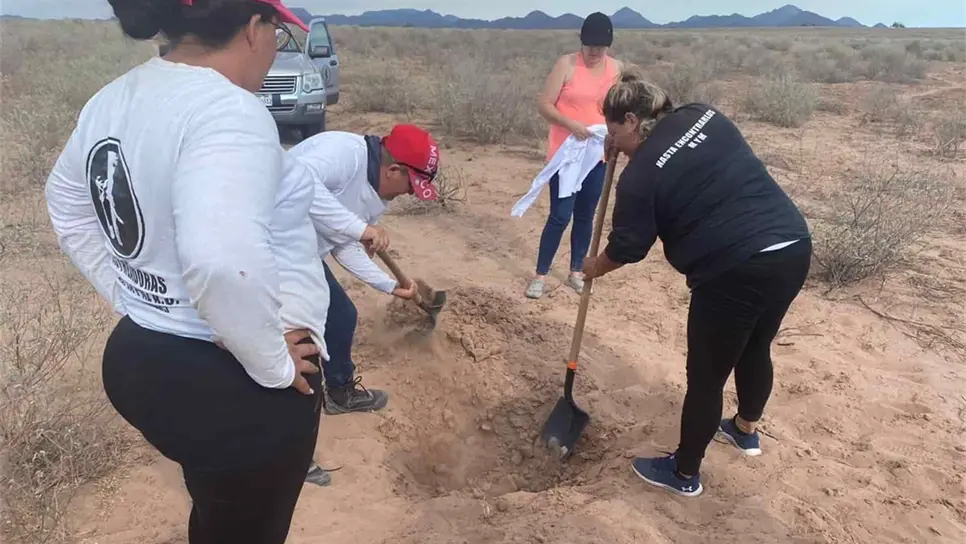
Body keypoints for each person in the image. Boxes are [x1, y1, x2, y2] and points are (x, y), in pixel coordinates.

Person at [44, 0, 382, 541]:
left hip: (140, 358)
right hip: (232, 386)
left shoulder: (117, 96)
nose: (276, 49)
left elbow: (66, 207)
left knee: (219, 515)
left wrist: (137, 303)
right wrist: (271, 363)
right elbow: (220, 263)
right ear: (253, 29)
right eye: (277, 32)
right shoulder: (229, 111)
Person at [582, 68, 811, 497]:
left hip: (734, 269)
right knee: (756, 344)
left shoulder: (639, 178)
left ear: (631, 120)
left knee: (705, 377)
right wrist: (631, 154)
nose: (611, 140)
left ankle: (684, 474)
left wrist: (595, 267)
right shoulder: (702, 114)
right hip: (792, 244)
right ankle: (745, 430)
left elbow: (629, 246)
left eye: (613, 130)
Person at [287, 124, 441, 483]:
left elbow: (343, 243)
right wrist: (359, 229)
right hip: (265, 250)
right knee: (299, 350)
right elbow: (298, 182)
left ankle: (340, 392)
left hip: (303, 254)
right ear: (393, 170)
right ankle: (292, 456)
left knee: (341, 316)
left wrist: (389, 285)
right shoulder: (343, 155)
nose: (405, 195)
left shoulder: (373, 193)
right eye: (409, 186)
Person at [525, 11, 622, 299]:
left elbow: (616, 109)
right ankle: (540, 275)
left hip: (596, 155)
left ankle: (576, 271)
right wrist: (570, 125)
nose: (595, 52)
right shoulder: (566, 64)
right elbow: (544, 104)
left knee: (586, 215)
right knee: (560, 215)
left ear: (608, 46)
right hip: (565, 153)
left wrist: (614, 137)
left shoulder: (616, 68)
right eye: (590, 46)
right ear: (582, 42)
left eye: (600, 47)